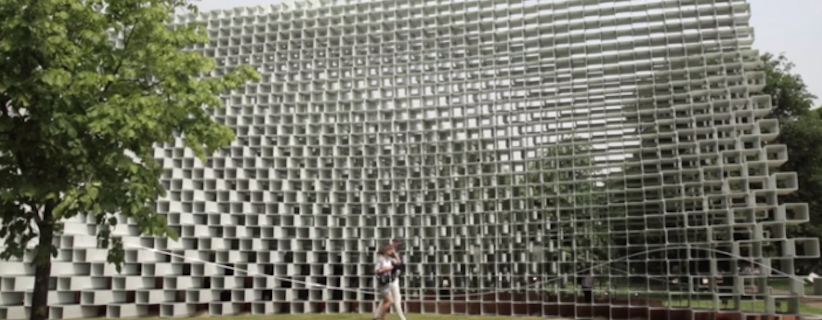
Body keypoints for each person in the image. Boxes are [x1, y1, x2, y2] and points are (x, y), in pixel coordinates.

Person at [372, 243, 408, 320]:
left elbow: (398, 263)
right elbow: (377, 271)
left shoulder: (388, 258)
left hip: (388, 282)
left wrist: (395, 254)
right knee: (390, 301)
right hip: (383, 283)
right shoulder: (380, 259)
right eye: (390, 250)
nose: (391, 251)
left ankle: (380, 317)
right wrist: (388, 269)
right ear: (385, 251)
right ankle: (380, 317)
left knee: (386, 301)